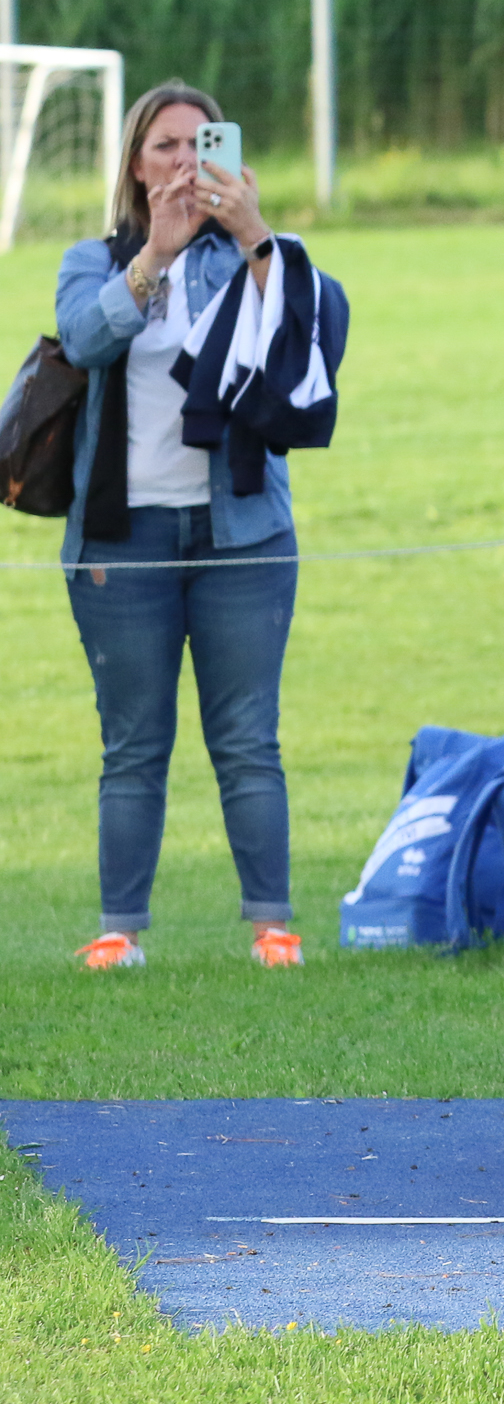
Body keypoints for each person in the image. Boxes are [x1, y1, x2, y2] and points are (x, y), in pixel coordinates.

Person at [57, 84, 345, 970]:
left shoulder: (248, 256)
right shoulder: (94, 259)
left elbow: (304, 333)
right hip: (122, 540)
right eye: (165, 146)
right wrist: (155, 253)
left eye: (200, 143)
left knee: (249, 740)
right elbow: (83, 339)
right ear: (135, 165)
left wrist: (256, 235)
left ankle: (273, 930)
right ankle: (120, 932)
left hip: (242, 536)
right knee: (133, 746)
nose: (184, 161)